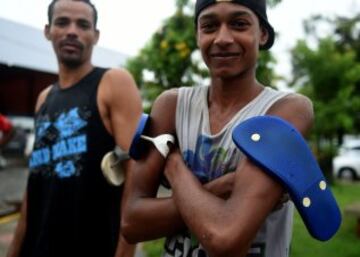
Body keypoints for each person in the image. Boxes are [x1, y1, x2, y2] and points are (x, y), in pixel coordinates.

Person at [121, 0, 314, 256]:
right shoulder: (171, 105)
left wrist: (174, 165)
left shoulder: (286, 111)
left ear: (263, 34)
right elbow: (131, 222)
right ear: (198, 35)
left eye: (239, 24)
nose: (222, 38)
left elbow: (225, 238)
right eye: (209, 26)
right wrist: (221, 189)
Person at [6, 1, 142, 257]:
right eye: (62, 22)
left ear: (96, 35)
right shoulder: (44, 98)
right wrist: (14, 249)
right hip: (37, 244)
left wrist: (125, 252)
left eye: (82, 25)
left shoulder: (112, 82)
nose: (72, 31)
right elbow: (35, 180)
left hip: (91, 244)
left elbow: (137, 173)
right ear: (47, 31)